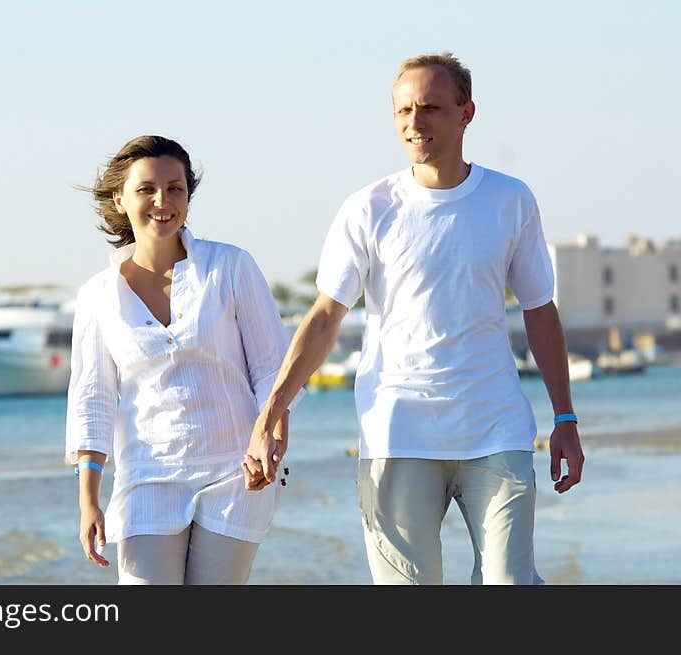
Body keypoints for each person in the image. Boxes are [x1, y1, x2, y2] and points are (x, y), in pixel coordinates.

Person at [244, 53, 584, 584]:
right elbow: (325, 316)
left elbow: (540, 312)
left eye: (429, 108)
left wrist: (565, 418)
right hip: (396, 434)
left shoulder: (510, 200)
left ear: (466, 112)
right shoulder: (368, 208)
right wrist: (269, 417)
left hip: (495, 429)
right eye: (403, 110)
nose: (414, 123)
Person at [65, 135, 300, 584]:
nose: (162, 201)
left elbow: (273, 369)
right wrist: (88, 500)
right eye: (146, 189)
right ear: (120, 198)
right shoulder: (97, 296)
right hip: (147, 480)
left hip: (235, 475)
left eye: (175, 188)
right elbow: (92, 400)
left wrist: (270, 440)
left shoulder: (230, 267)